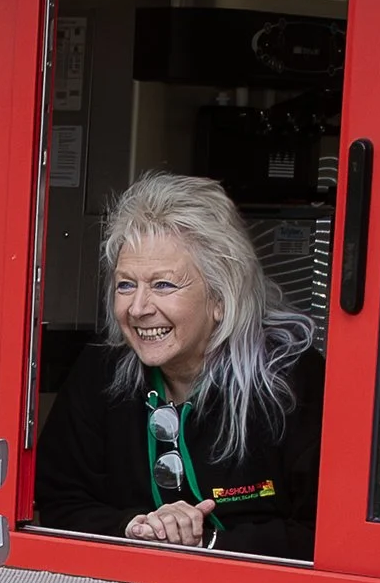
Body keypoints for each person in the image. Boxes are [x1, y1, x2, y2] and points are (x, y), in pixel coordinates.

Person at [34, 172, 322, 554]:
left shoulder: (290, 378)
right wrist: (135, 527)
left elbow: (322, 533)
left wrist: (210, 540)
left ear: (221, 298)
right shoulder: (101, 371)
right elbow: (59, 501)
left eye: (163, 285)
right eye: (126, 285)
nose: (138, 308)